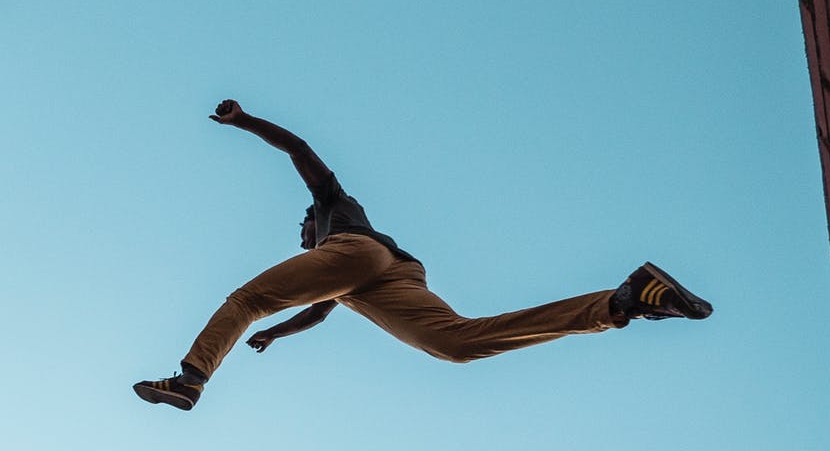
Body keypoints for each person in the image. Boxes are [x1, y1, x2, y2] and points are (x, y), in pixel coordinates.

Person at [133, 100, 712, 411]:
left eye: (304, 230)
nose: (302, 236)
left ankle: (191, 379)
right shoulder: (333, 277)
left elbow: (301, 150)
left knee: (245, 299)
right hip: (390, 276)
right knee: (456, 343)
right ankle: (624, 300)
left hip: (361, 255)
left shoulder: (335, 209)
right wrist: (278, 336)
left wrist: (245, 122)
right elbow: (319, 309)